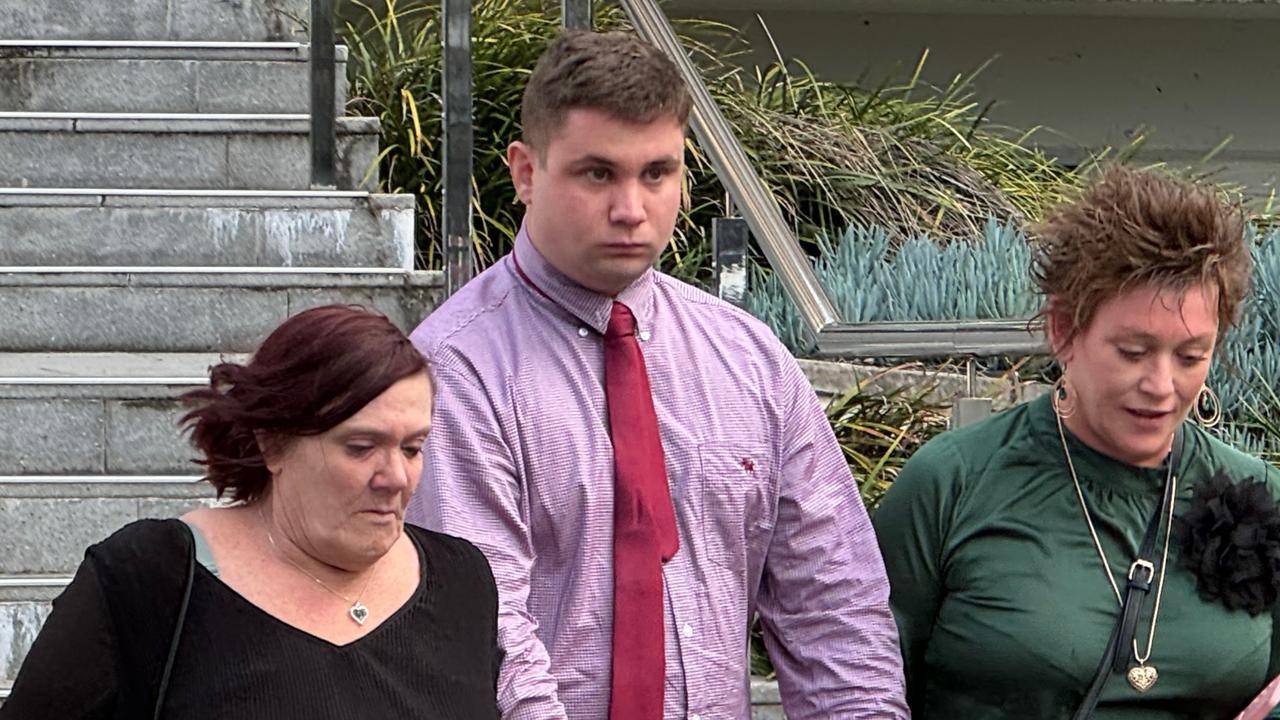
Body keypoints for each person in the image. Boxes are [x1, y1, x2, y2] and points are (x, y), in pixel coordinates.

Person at [405, 29, 908, 720]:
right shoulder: (454, 369)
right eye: (597, 174)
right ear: (526, 171)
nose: (631, 210)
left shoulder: (750, 361)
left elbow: (835, 608)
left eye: (656, 174)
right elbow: (489, 636)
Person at [874, 165, 1280, 718]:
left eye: (1191, 357)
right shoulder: (952, 483)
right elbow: (861, 690)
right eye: (1132, 352)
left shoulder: (1258, 493)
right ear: (1065, 329)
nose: (1162, 387)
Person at [1, 305, 501, 720]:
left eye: (412, 448)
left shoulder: (463, 581)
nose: (395, 476)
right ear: (273, 445)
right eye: (360, 447)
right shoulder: (151, 579)